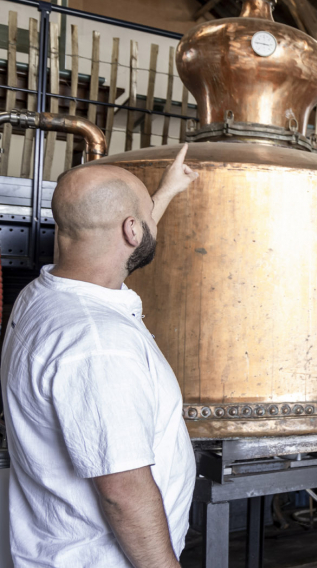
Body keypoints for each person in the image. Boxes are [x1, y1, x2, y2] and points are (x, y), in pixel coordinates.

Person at [0, 144, 199, 567]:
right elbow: (123, 494)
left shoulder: (40, 296)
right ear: (131, 230)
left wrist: (163, 194)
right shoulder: (99, 344)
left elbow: (122, 240)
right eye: (144, 217)